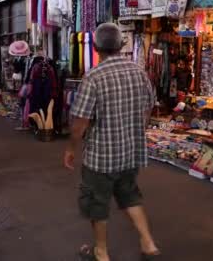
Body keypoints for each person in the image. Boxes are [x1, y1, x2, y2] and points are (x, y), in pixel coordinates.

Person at [64, 23, 160, 261]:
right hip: (130, 153)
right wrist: (136, 131)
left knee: (98, 203)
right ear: (120, 45)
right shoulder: (139, 72)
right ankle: (148, 243)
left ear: (95, 48)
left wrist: (70, 149)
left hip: (101, 158)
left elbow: (80, 122)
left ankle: (101, 252)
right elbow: (148, 109)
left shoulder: (94, 77)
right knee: (130, 195)